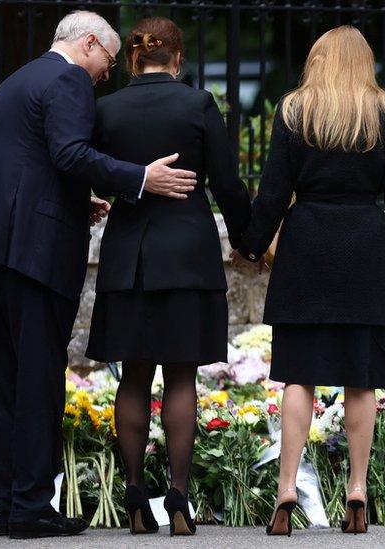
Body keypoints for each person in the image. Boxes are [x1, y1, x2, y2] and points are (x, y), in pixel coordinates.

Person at [0, 10, 197, 539]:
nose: (105, 75)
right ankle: (33, 506)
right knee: (37, 378)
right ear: (88, 44)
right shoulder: (67, 79)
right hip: (32, 254)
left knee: (2, 380)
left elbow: (25, 162)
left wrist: (73, 198)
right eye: (106, 63)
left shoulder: (15, 80)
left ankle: (11, 503)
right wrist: (140, 178)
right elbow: (69, 151)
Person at [237, 25, 385, 536]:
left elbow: (273, 191)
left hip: (307, 246)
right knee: (362, 379)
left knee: (299, 376)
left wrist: (252, 241)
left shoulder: (296, 111)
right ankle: (357, 487)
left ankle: (287, 486)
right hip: (367, 247)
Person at [84, 16, 252, 536]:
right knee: (181, 375)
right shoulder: (199, 105)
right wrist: (251, 243)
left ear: (132, 59)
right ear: (177, 59)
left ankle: (136, 494)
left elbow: (83, 167)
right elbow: (226, 182)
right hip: (187, 256)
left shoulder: (105, 108)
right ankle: (177, 496)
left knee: (134, 374)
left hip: (128, 256)